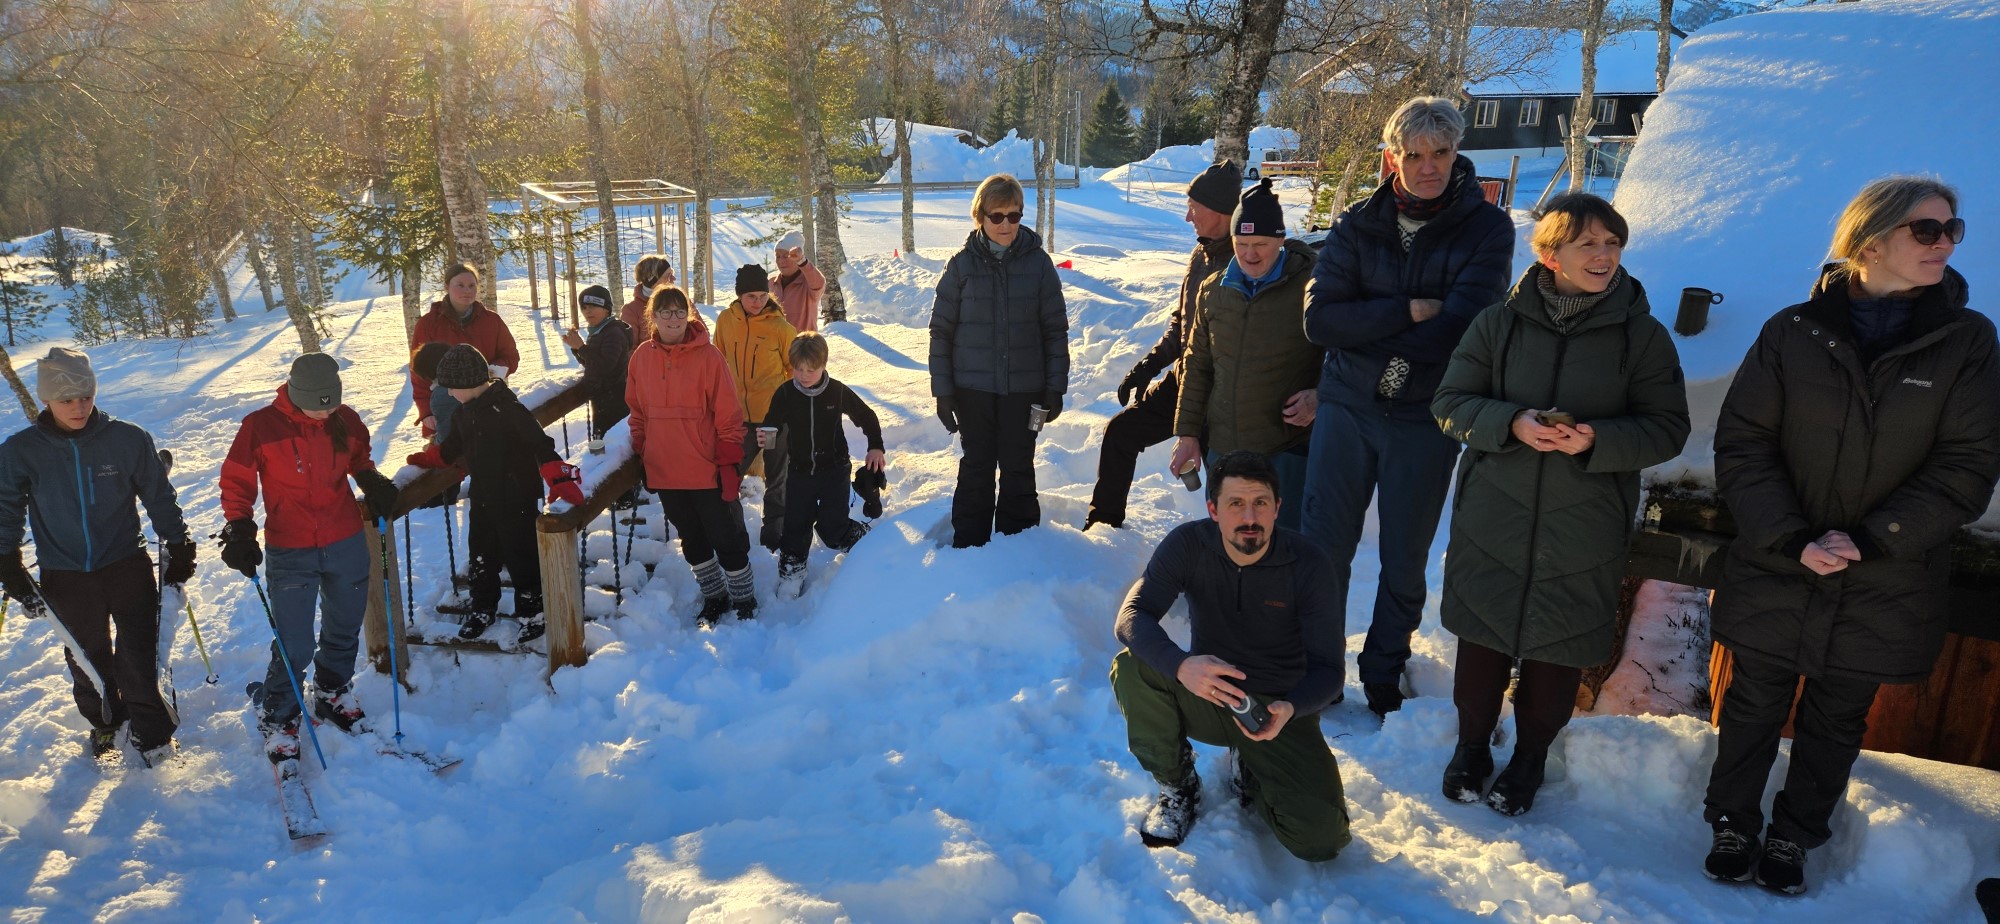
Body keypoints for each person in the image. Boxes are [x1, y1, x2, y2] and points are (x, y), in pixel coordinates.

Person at [1700, 176, 2000, 895]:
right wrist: (1791, 536)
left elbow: (1969, 463)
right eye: (1926, 231)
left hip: (1885, 573)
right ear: (1870, 243)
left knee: (1838, 715)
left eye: (1952, 229)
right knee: (1752, 703)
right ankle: (1732, 821)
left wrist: (1871, 538)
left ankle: (1796, 836)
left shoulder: (1966, 342)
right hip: (1781, 560)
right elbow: (1744, 443)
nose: (1947, 244)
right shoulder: (1791, 332)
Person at [1430, 193, 1690, 816]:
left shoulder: (1643, 336)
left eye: (1612, 243)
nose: (1603, 255)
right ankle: (1471, 748)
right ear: (1549, 255)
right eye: (1587, 243)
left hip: (1585, 518)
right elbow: (1448, 402)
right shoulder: (1498, 324)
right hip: (1495, 511)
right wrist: (1510, 422)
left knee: (1558, 645)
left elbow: (1667, 427)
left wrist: (1597, 439)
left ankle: (1530, 759)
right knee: (1484, 638)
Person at [1301, 96, 1515, 717]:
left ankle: (1384, 671)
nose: (1429, 168)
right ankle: (1320, 667)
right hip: (1346, 407)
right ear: (1392, 158)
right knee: (1324, 545)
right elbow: (1318, 322)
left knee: (1405, 552)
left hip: (1425, 414)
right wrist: (1406, 309)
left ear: (1456, 153)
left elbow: (1459, 331)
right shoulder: (1356, 224)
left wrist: (1366, 325)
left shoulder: (1486, 228)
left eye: (1441, 153)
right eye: (1414, 155)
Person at [1110, 450, 1349, 861]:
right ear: (1213, 510)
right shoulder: (1189, 544)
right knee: (1134, 668)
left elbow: (1330, 671)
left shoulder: (1308, 564)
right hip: (1209, 691)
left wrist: (1291, 708)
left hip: (1276, 711)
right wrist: (1182, 666)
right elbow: (1132, 617)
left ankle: (1254, 770)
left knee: (1321, 841)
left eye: (1260, 503)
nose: (1249, 517)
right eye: (1235, 503)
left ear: (1278, 508)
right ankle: (1178, 786)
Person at [0, 347, 194, 765]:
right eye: (67, 399)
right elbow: (6, 508)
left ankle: (153, 733)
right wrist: (7, 561)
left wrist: (178, 542)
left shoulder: (127, 438)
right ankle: (106, 722)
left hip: (126, 563)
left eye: (85, 396)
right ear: (46, 399)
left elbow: (158, 495)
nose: (79, 407)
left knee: (139, 652)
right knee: (87, 656)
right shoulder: (21, 451)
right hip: (64, 572)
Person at [220, 354, 403, 760]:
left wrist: (370, 479)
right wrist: (239, 527)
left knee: (344, 626)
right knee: (295, 642)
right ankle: (279, 711)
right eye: (317, 406)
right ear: (295, 394)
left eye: (331, 405)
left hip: (344, 539)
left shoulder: (347, 420)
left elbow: (358, 458)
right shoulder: (260, 426)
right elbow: (237, 478)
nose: (325, 414)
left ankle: (332, 691)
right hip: (291, 546)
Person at [1087, 160, 1239, 530]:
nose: (1187, 218)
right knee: (1122, 433)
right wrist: (1148, 366)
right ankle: (1104, 525)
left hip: (1223, 392)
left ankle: (1232, 551)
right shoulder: (1200, 254)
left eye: (1194, 208)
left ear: (1219, 211)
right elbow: (1182, 324)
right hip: (1185, 380)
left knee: (1226, 478)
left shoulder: (1242, 261)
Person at [1167, 178, 1322, 533]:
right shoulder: (1214, 290)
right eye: (1242, 243)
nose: (1251, 254)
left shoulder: (1312, 284)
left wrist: (1320, 396)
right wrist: (1188, 433)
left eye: (1261, 244)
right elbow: (1197, 366)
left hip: (1287, 447)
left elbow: (1344, 355)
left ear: (1281, 241)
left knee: (1282, 542)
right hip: (1225, 446)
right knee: (1233, 538)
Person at [929, 173, 1070, 548]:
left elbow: (1055, 330)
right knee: (976, 467)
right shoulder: (960, 266)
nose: (1006, 224)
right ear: (980, 216)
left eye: (1014, 215)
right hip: (972, 390)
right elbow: (940, 331)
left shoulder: (1039, 265)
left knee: (1018, 466)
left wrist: (1055, 387)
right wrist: (943, 392)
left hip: (1024, 390)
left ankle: (1018, 547)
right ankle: (969, 546)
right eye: (997, 216)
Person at [434, 344, 585, 643]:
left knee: (521, 555)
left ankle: (532, 612)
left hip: (516, 495)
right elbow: (451, 447)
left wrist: (556, 474)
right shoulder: (464, 414)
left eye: (453, 388)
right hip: (483, 496)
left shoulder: (509, 409)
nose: (450, 394)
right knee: (481, 554)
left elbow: (539, 442)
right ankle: (482, 608)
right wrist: (429, 459)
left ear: (469, 383)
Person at [626, 285, 758, 625]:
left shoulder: (709, 356)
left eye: (680, 311)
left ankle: (743, 597)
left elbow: (728, 413)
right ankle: (714, 595)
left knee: (724, 535)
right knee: (692, 537)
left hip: (705, 467)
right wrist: (642, 445)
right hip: (665, 468)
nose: (674, 319)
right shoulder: (641, 357)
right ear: (653, 316)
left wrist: (729, 459)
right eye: (665, 312)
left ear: (689, 314)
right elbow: (636, 410)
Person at [761, 332, 884, 599]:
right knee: (795, 524)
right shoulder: (785, 393)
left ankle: (863, 539)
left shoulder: (837, 391)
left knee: (832, 528)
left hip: (834, 470)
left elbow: (866, 415)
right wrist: (766, 435)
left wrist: (875, 445)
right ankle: (792, 569)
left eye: (811, 369)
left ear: (824, 364)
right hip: (800, 472)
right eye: (798, 369)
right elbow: (771, 422)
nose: (804, 375)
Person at [716, 264, 799, 550]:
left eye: (762, 295)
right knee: (728, 478)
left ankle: (774, 537)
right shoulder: (726, 321)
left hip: (772, 420)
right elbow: (719, 361)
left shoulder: (781, 328)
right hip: (739, 419)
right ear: (739, 295)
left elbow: (795, 369)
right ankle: (732, 534)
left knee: (777, 478)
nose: (757, 301)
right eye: (751, 296)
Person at [411, 262, 520, 440]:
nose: (466, 290)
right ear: (447, 286)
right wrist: (426, 411)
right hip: (446, 409)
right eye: (460, 285)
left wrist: (494, 370)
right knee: (450, 460)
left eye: (471, 285)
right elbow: (418, 371)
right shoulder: (428, 323)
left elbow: (511, 357)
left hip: (489, 403)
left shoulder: (491, 320)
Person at [561, 284, 633, 439]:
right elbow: (592, 365)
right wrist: (576, 348)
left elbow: (605, 367)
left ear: (606, 309)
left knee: (610, 443)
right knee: (601, 440)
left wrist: (581, 347)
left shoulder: (613, 333)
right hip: (601, 399)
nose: (588, 311)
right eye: (584, 307)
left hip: (613, 401)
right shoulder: (599, 331)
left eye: (594, 306)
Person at [772, 231, 828, 332]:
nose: (781, 261)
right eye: (778, 256)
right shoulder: (771, 282)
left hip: (803, 345)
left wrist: (802, 262)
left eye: (786, 256)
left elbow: (819, 283)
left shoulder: (808, 283)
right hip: (776, 345)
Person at [622, 254, 675, 344]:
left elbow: (701, 334)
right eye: (668, 276)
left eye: (672, 274)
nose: (673, 279)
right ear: (652, 280)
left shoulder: (682, 301)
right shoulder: (631, 311)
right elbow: (629, 349)